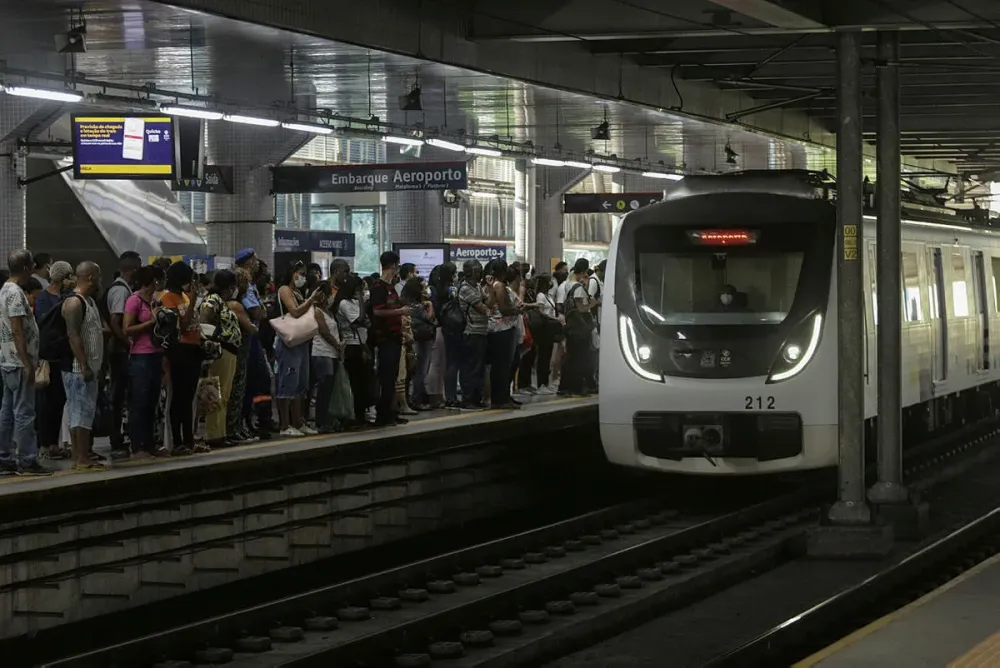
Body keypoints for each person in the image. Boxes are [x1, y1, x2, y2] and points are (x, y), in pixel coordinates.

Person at [0, 250, 51, 476]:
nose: (34, 267)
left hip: (8, 360)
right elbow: (17, 329)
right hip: (19, 362)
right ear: (25, 267)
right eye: (31, 264)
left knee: (8, 411)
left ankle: (5, 458)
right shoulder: (15, 293)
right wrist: (28, 362)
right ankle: (27, 460)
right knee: (24, 412)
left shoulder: (4, 289)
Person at [62, 261, 105, 471]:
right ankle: (81, 458)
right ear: (90, 277)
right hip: (78, 369)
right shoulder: (74, 303)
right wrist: (84, 364)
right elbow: (73, 336)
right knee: (79, 412)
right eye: (98, 275)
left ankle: (82, 455)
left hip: (89, 367)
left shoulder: (89, 301)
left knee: (84, 412)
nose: (100, 279)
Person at [275, 261, 323, 437]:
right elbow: (294, 312)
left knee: (301, 383)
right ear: (292, 273)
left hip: (301, 341)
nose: (302, 277)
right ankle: (284, 424)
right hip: (288, 341)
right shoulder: (284, 290)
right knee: (287, 382)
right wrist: (311, 299)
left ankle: (298, 421)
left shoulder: (297, 291)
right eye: (300, 273)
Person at [159, 262, 202, 455]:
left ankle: (189, 440)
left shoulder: (184, 296)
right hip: (179, 350)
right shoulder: (168, 299)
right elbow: (181, 327)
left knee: (189, 397)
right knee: (179, 398)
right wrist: (192, 303)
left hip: (193, 350)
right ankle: (177, 442)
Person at [35, 261, 74, 459]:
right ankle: (44, 444)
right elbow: (45, 325)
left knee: (60, 401)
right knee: (46, 403)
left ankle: (54, 443)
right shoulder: (44, 298)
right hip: (49, 357)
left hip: (64, 355)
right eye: (69, 276)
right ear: (62, 278)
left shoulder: (67, 297)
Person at [123, 266, 163, 459]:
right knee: (139, 400)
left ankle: (149, 442)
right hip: (141, 355)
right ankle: (137, 444)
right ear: (152, 280)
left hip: (156, 353)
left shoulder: (155, 301)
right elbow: (127, 329)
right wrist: (150, 323)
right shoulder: (134, 300)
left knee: (152, 401)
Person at [201, 270, 243, 447]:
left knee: (224, 394)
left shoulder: (223, 302)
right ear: (228, 286)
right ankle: (214, 435)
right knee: (215, 393)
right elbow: (204, 320)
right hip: (221, 351)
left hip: (229, 352)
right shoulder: (213, 300)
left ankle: (220, 432)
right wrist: (216, 336)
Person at [368, 251, 411, 426]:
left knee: (393, 377)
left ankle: (391, 412)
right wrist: (400, 312)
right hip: (384, 338)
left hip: (395, 337)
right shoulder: (379, 287)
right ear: (393, 265)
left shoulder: (391, 287)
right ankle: (382, 415)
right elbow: (377, 311)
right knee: (386, 377)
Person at [106, 251, 141, 460]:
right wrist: (127, 343)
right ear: (134, 268)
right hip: (119, 352)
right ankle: (115, 438)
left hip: (120, 350)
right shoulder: (120, 291)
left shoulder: (124, 288)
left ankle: (118, 435)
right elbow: (115, 321)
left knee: (120, 395)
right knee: (118, 396)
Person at [333, 274, 373, 427]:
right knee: (355, 382)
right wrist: (362, 302)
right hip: (352, 345)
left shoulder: (354, 302)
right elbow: (359, 320)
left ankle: (361, 414)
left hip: (362, 343)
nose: (362, 292)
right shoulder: (344, 303)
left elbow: (367, 323)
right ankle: (353, 416)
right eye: (360, 289)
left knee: (364, 382)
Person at [485, 260, 523, 410]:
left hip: (501, 328)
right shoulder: (499, 285)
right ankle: (500, 399)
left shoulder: (493, 285)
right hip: (502, 329)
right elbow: (504, 308)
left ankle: (504, 396)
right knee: (502, 366)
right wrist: (517, 310)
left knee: (504, 366)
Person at [227, 271, 259, 445]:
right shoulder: (236, 305)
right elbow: (252, 327)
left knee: (236, 389)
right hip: (238, 350)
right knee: (237, 389)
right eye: (246, 282)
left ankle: (236, 426)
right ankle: (233, 428)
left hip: (236, 350)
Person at [561, 260, 601, 396]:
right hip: (579, 328)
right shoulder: (577, 287)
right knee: (580, 358)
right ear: (584, 271)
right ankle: (576, 388)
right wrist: (593, 303)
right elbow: (581, 308)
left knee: (571, 358)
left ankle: (566, 387)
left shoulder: (568, 284)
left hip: (572, 327)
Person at [311, 281, 344, 433]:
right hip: (322, 353)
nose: (331, 296)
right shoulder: (317, 311)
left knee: (329, 388)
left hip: (332, 353)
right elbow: (324, 332)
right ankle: (321, 420)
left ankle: (328, 418)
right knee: (324, 386)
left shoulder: (329, 311)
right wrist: (337, 345)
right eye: (329, 293)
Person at [458, 260, 490, 410]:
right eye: (477, 271)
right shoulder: (465, 288)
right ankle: (468, 399)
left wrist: (490, 288)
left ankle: (477, 398)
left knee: (479, 368)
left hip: (481, 331)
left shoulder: (477, 286)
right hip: (471, 332)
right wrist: (491, 309)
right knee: (471, 367)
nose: (480, 273)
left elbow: (489, 302)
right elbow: (483, 308)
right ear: (469, 272)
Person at [402, 277, 435, 410]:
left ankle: (409, 399)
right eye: (423, 287)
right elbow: (430, 319)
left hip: (412, 338)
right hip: (422, 338)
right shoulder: (419, 306)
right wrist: (431, 306)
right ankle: (417, 400)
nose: (425, 290)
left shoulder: (405, 303)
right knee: (421, 371)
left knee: (411, 371)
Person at [532, 274, 561, 395]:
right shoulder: (540, 296)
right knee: (543, 356)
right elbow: (541, 312)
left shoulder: (548, 296)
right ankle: (541, 383)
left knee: (548, 355)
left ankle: (546, 382)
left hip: (550, 328)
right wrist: (554, 318)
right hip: (543, 328)